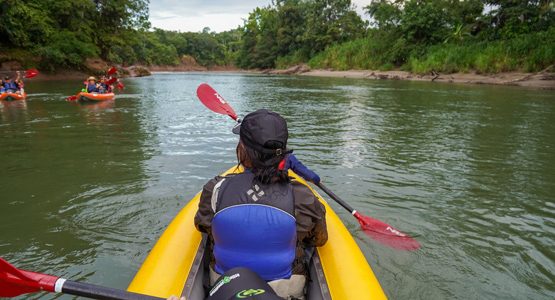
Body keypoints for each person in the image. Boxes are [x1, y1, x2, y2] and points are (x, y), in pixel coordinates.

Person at [195, 109, 327, 299]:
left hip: (226, 287)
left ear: (242, 148)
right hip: (284, 290)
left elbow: (203, 225)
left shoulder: (215, 189)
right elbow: (319, 239)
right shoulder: (302, 195)